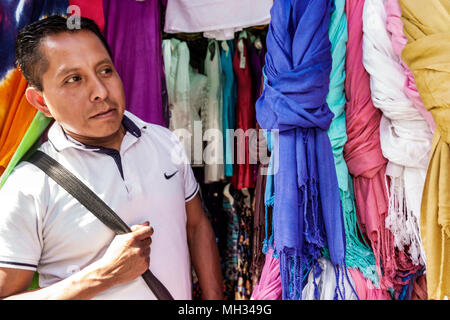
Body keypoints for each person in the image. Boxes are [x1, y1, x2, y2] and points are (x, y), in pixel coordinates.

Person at [0, 15, 223, 300]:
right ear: (41, 101)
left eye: (105, 71)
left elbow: (196, 225)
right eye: (74, 79)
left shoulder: (163, 140)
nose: (101, 92)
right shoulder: (29, 187)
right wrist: (102, 276)